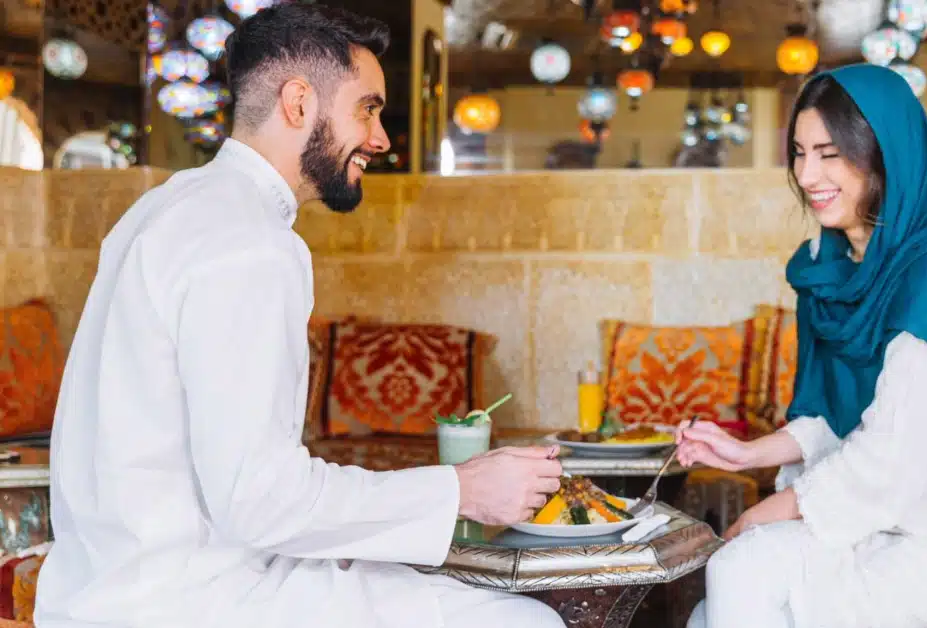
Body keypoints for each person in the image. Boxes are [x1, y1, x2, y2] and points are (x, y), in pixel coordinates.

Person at [35, 5, 566, 628]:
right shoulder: (249, 240)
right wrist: (462, 490)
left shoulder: (164, 207)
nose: (381, 138)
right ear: (298, 102)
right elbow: (258, 500)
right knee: (525, 622)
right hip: (190, 602)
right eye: (367, 109)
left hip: (106, 589)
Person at [675, 64, 927, 628]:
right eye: (800, 152)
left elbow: (892, 454)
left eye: (830, 153)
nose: (807, 174)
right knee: (713, 609)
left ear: (884, 155)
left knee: (741, 570)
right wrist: (748, 453)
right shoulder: (840, 271)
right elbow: (842, 419)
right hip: (888, 524)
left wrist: (765, 516)